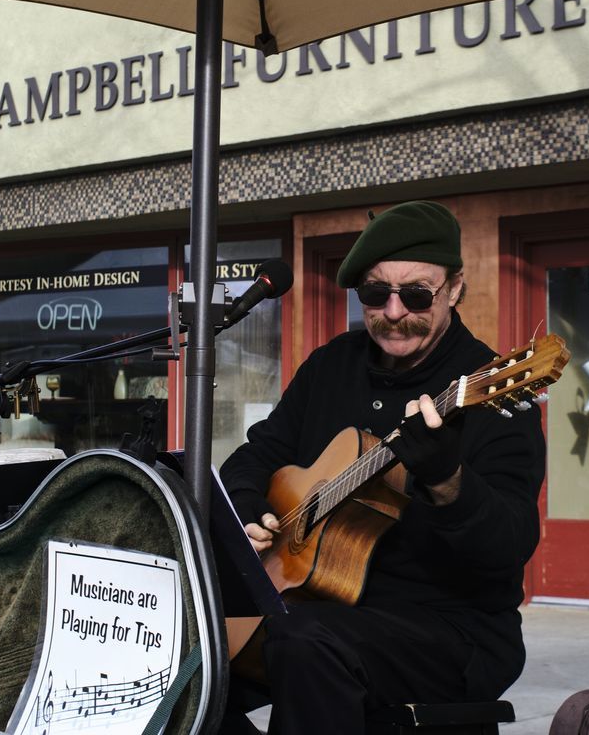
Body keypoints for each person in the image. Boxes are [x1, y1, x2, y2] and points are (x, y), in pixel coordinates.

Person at [219, 200, 546, 734]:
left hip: (450, 628)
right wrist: (250, 504)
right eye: (376, 294)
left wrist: (447, 481)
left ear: (455, 289)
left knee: (302, 640)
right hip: (314, 604)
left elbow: (509, 547)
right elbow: (256, 455)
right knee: (186, 656)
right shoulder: (330, 365)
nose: (394, 312)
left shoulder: (487, 391)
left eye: (416, 294)